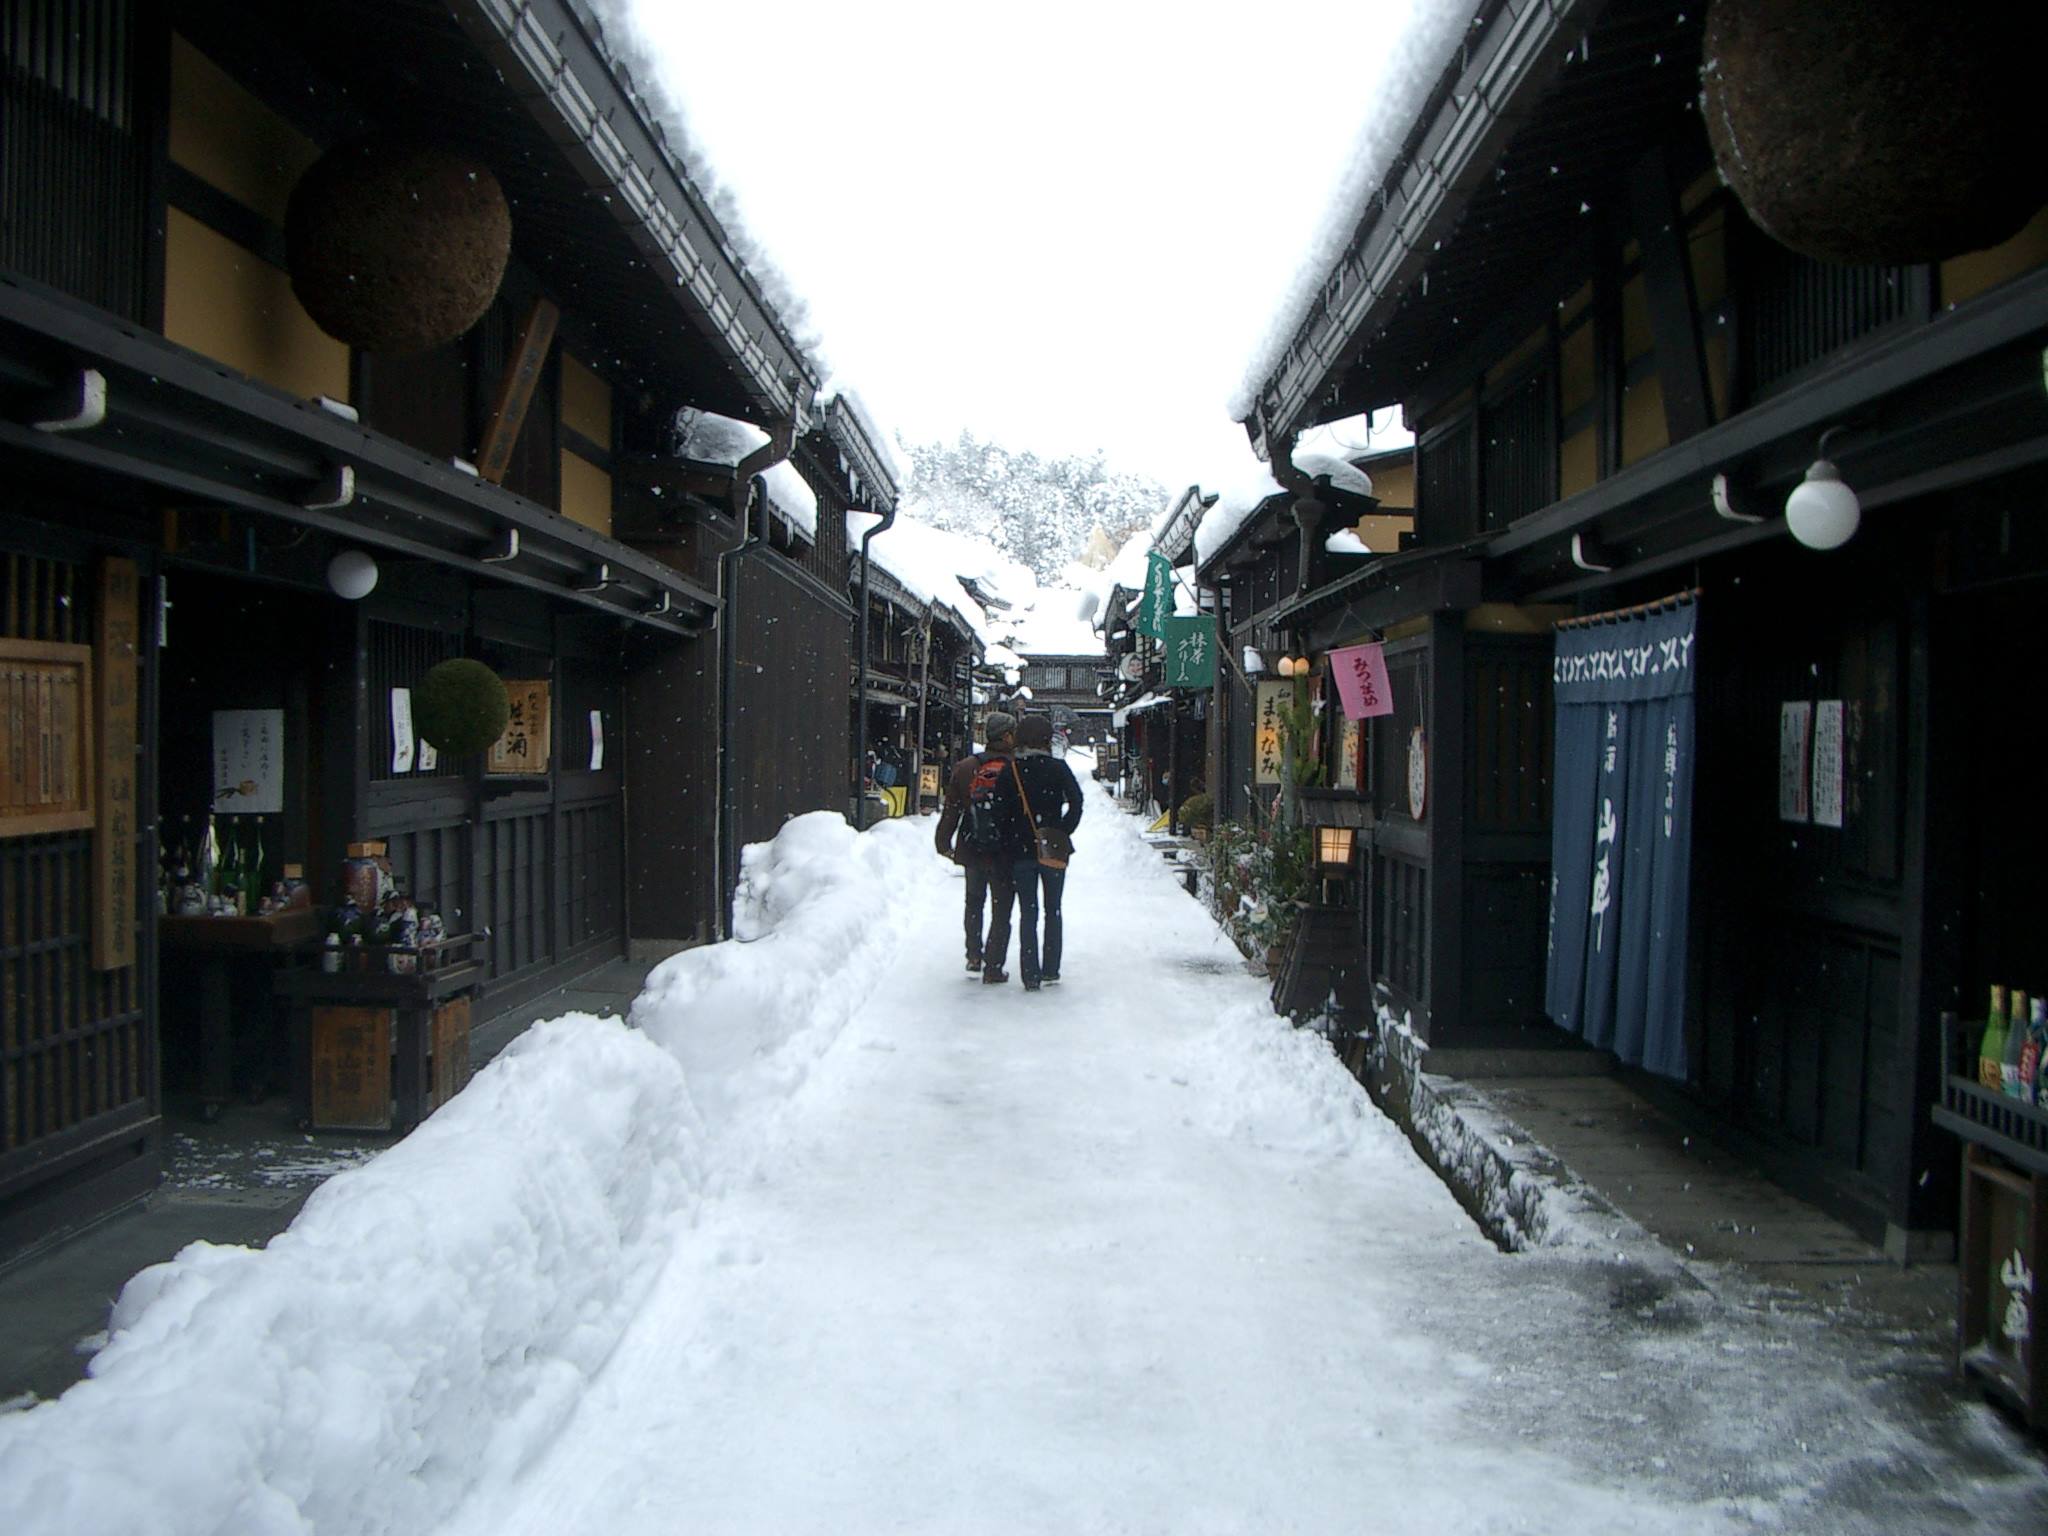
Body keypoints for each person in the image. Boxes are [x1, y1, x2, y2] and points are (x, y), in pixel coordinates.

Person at [999, 714, 1084, 991]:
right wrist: (1061, 830)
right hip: (1052, 848)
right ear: (1047, 740)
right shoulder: (1058, 769)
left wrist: (1011, 834)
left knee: (1028, 912)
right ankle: (1051, 968)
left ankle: (1030, 973)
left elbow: (999, 811)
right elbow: (1076, 802)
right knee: (1053, 909)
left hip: (1020, 849)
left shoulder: (1011, 771)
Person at [934, 711, 1017, 977]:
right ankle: (994, 964)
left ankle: (973, 954)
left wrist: (943, 841)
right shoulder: (1016, 767)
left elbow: (952, 811)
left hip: (972, 842)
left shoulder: (965, 767)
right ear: (1007, 736)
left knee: (974, 901)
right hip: (1005, 847)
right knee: (1001, 905)